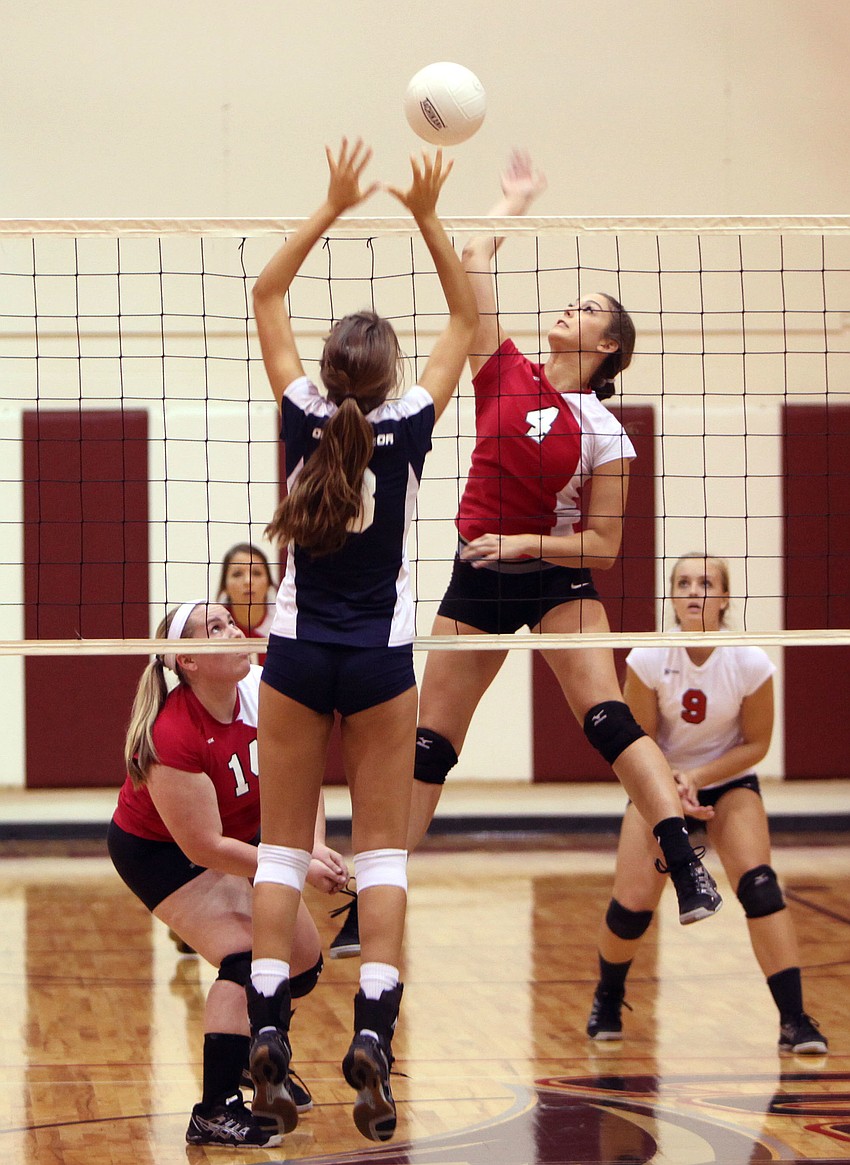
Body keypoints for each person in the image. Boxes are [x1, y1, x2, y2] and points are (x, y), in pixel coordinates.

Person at [399, 149, 721, 924]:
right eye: (573, 302)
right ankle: (379, 886)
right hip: (478, 569)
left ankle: (683, 862)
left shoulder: (606, 429)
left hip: (551, 575)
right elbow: (473, 255)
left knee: (608, 717)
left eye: (589, 310)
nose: (571, 311)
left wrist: (527, 544)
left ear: (610, 345)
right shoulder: (500, 365)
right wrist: (516, 200)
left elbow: (604, 546)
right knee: (431, 741)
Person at [245, 138, 477, 1145]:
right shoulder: (415, 420)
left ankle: (266, 1027)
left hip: (294, 657)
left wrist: (331, 202)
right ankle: (373, 1035)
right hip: (380, 665)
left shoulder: (302, 415)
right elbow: (468, 317)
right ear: (387, 379)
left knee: (278, 852)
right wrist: (425, 214)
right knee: (382, 857)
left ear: (330, 373)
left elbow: (265, 295)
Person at [107, 601, 349, 1149]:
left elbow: (303, 773)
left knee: (301, 964)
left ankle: (248, 1058)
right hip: (163, 854)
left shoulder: (264, 690)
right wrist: (296, 865)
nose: (234, 630)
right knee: (247, 959)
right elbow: (205, 846)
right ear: (187, 659)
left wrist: (309, 845)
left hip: (241, 840)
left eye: (230, 621)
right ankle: (214, 1111)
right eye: (215, 628)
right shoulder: (171, 736)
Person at [586, 554, 829, 1055]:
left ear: (724, 597)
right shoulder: (649, 658)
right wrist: (671, 786)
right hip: (657, 784)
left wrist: (697, 776)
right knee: (631, 907)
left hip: (726, 781)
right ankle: (608, 998)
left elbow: (756, 745)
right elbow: (638, 740)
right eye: (683, 582)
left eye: (706, 582)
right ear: (672, 596)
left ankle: (794, 1020)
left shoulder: (749, 661)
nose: (695, 590)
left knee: (761, 888)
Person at [217, 542, 277, 663]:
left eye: (256, 573)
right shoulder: (213, 627)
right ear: (225, 586)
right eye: (237, 574)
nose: (248, 581)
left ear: (269, 583)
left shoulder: (284, 624)